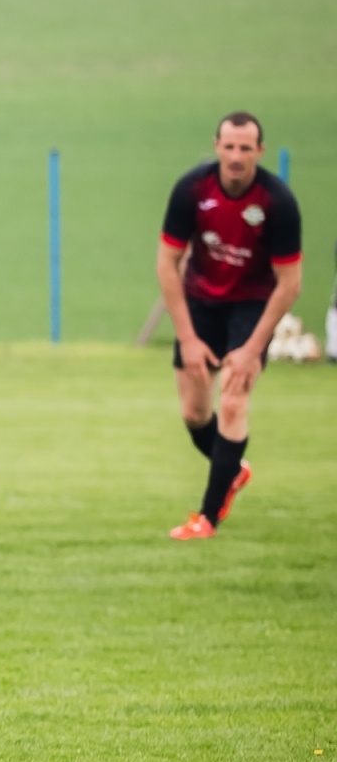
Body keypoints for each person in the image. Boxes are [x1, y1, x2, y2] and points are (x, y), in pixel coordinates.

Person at [157, 112, 302, 540]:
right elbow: (167, 265)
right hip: (200, 303)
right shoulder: (191, 190)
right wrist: (187, 337)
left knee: (234, 401)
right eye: (229, 146)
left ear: (260, 151)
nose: (236, 156)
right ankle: (233, 471)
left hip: (252, 306)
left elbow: (290, 283)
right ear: (217, 145)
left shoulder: (277, 202)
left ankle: (206, 519)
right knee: (195, 412)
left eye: (245, 148)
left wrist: (253, 348)